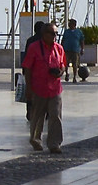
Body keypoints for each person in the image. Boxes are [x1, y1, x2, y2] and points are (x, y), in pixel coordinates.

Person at [22, 19, 67, 151]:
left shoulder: (59, 48)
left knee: (55, 116)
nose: (54, 36)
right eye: (52, 33)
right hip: (39, 88)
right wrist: (29, 88)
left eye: (56, 34)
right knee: (37, 116)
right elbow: (27, 68)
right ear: (44, 34)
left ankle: (54, 143)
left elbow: (63, 65)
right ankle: (35, 139)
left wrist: (60, 72)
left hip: (55, 88)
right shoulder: (34, 47)